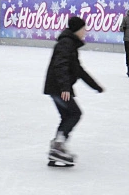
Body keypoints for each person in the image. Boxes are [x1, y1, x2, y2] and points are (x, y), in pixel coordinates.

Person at [43, 16, 104, 167]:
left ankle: (56, 148)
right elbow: (60, 65)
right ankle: (58, 146)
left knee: (67, 116)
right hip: (58, 87)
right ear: (77, 30)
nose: (85, 31)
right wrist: (64, 87)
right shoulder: (66, 44)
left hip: (56, 87)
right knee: (75, 113)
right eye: (84, 29)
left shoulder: (70, 44)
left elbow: (79, 70)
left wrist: (95, 86)